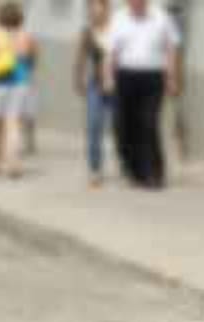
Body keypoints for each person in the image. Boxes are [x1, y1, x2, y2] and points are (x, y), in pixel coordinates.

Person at [106, 0, 180, 188]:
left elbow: (172, 47)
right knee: (125, 125)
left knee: (149, 123)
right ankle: (134, 169)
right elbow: (112, 51)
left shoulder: (161, 17)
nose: (136, 3)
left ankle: (154, 173)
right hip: (126, 75)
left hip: (153, 76)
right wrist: (108, 77)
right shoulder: (119, 18)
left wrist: (172, 77)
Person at [0, 1, 36, 178]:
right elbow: (32, 61)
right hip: (20, 84)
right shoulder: (27, 37)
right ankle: (14, 164)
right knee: (13, 125)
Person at [75, 0, 112, 186]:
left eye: (98, 7)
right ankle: (95, 169)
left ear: (106, 8)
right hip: (95, 85)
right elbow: (81, 57)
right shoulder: (87, 32)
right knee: (93, 125)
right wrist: (78, 78)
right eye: (90, 8)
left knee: (121, 127)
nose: (94, 11)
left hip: (117, 86)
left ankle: (129, 163)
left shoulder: (117, 28)